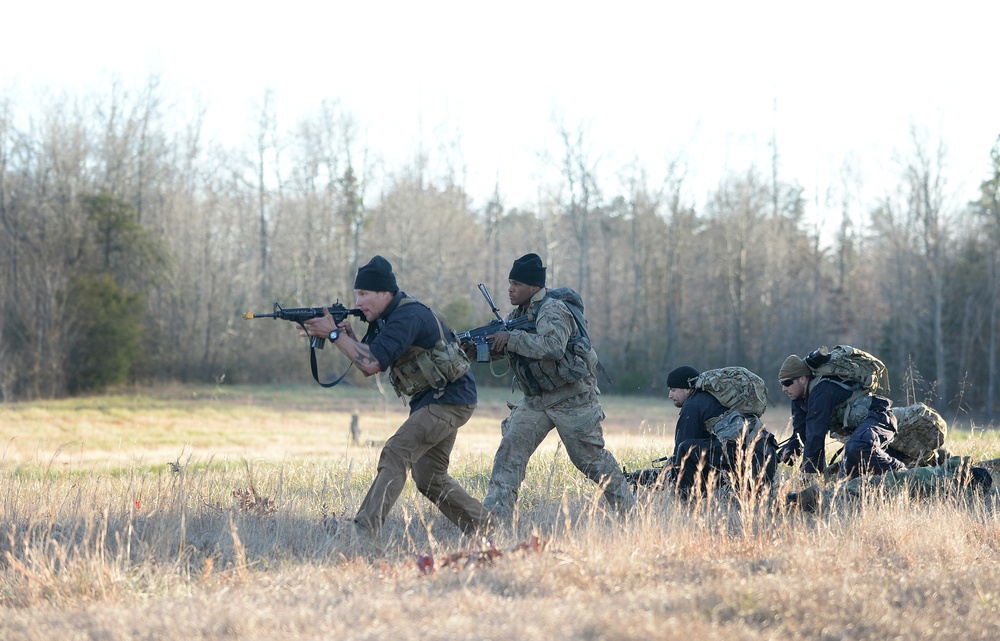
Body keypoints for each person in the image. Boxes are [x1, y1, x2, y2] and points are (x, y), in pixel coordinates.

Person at [303, 255, 493, 537]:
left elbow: (370, 365)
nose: (358, 302)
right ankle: (490, 529)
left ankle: (363, 532)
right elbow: (369, 357)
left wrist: (332, 335)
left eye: (364, 294)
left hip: (448, 400)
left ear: (385, 293)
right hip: (437, 400)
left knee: (396, 452)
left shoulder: (407, 316)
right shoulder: (385, 317)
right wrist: (347, 337)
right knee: (430, 478)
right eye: (356, 294)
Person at [479, 253, 635, 521]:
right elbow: (514, 345)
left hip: (571, 397)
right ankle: (493, 520)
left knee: (590, 461)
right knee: (510, 453)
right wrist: (479, 346)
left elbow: (552, 347)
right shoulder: (519, 314)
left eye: (516, 283)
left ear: (533, 287)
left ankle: (632, 515)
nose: (510, 289)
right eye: (509, 282)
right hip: (536, 400)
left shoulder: (552, 309)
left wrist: (511, 338)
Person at [776, 353, 906, 478]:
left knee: (857, 447)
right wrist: (777, 457)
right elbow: (801, 435)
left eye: (787, 383)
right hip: (861, 433)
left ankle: (905, 473)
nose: (783, 389)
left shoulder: (822, 391)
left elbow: (816, 432)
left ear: (803, 379)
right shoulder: (799, 400)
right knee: (844, 484)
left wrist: (809, 470)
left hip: (879, 419)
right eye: (781, 384)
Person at [653, 365, 776, 496]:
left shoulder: (692, 406)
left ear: (688, 388)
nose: (670, 395)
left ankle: (685, 506)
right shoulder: (716, 399)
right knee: (762, 506)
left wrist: (656, 479)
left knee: (685, 450)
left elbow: (680, 458)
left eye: (673, 389)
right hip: (767, 453)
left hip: (746, 456)